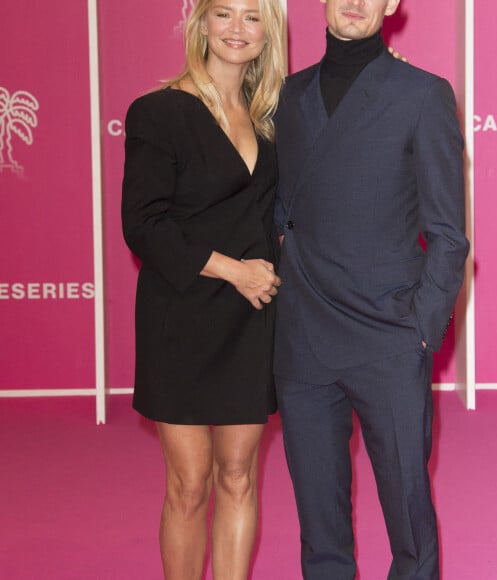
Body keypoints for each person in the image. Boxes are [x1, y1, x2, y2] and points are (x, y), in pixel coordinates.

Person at [273, 0, 470, 578]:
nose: (355, 2)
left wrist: (418, 332)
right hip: (304, 338)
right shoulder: (289, 96)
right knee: (319, 528)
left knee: (410, 523)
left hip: (388, 337)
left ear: (391, 4)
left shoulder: (422, 94)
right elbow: (282, 204)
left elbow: (448, 235)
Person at [121, 0, 285, 578]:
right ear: (201, 25)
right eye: (223, 14)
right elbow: (142, 222)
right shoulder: (159, 112)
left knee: (239, 475)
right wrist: (232, 269)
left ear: (269, 34)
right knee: (189, 485)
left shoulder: (271, 118)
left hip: (250, 319)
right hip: (183, 314)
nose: (237, 28)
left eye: (252, 16)